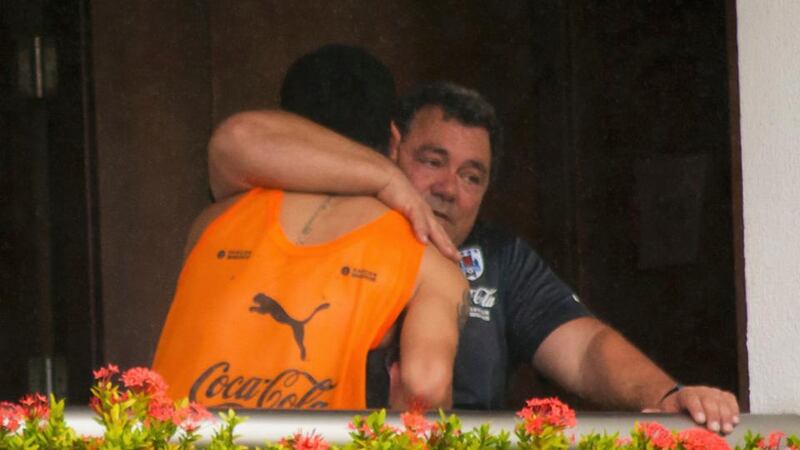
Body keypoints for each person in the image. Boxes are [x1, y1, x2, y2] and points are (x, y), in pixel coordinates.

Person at [209, 65, 741, 433]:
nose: (449, 189)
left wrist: (667, 394)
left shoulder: (501, 257)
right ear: (392, 148)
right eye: (432, 161)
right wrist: (386, 184)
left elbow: (585, 349)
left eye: (471, 176)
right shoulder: (332, 225)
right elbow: (239, 141)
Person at [152, 45, 467, 410]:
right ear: (394, 141)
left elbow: (238, 139)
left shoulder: (211, 222)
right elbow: (425, 388)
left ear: (287, 126)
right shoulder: (428, 258)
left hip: (175, 435)